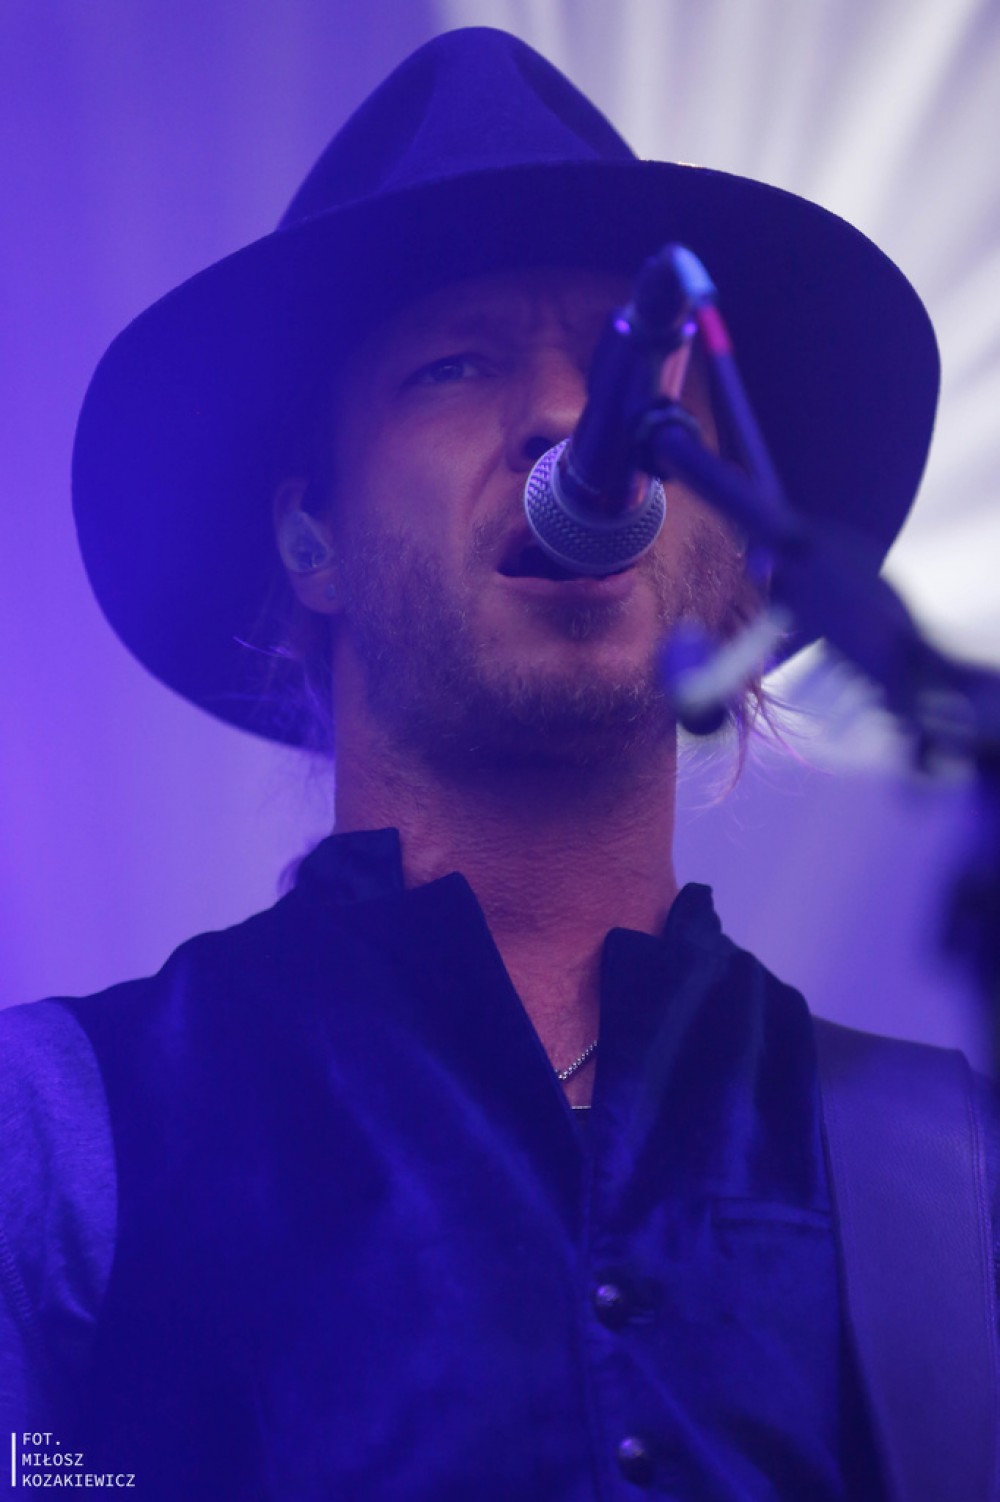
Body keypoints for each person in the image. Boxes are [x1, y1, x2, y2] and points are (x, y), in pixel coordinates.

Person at [1, 26, 995, 1502]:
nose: (566, 417)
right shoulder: (60, 1137)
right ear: (312, 540)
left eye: (630, 372)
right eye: (453, 364)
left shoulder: (946, 1165)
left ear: (728, 550)